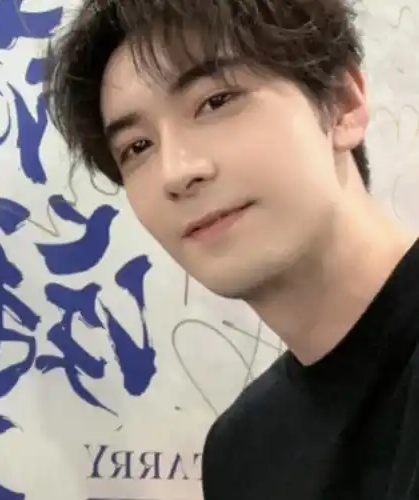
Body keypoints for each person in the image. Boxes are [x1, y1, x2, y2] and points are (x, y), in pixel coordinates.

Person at [44, 0, 419, 498]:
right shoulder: (243, 451)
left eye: (216, 101)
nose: (176, 172)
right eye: (137, 147)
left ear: (341, 103)